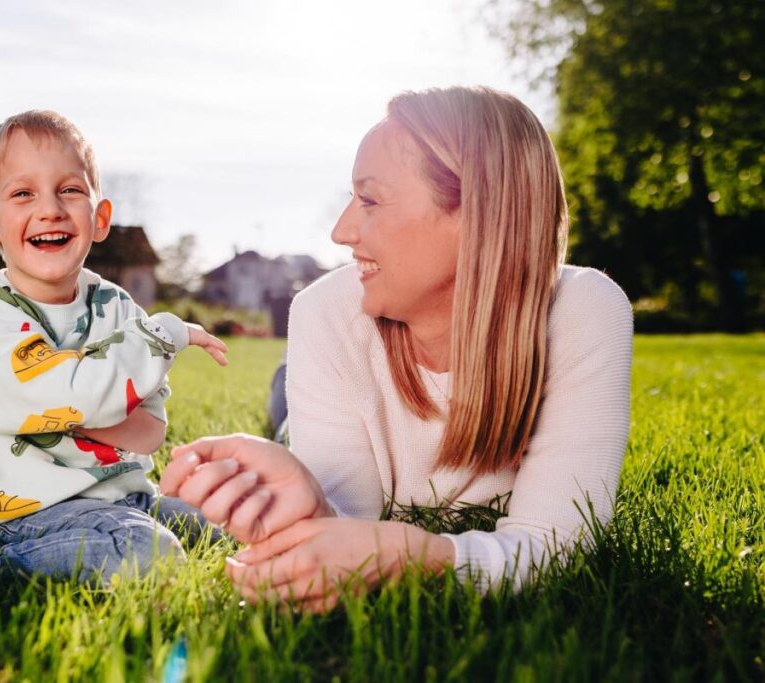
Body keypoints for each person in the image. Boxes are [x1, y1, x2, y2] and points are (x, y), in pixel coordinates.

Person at [160, 86, 633, 612]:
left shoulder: (582, 309)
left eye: (369, 200)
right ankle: (285, 406)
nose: (341, 231)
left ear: (477, 213)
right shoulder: (324, 310)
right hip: (323, 385)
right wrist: (312, 505)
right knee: (287, 415)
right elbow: (349, 535)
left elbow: (556, 548)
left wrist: (418, 556)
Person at [0, 110, 228, 584]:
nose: (50, 208)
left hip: (120, 494)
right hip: (24, 513)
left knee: (226, 523)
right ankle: (5, 562)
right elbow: (76, 396)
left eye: (69, 190)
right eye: (22, 193)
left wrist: (80, 407)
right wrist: (161, 339)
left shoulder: (115, 306)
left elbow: (149, 429)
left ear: (99, 219)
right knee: (150, 554)